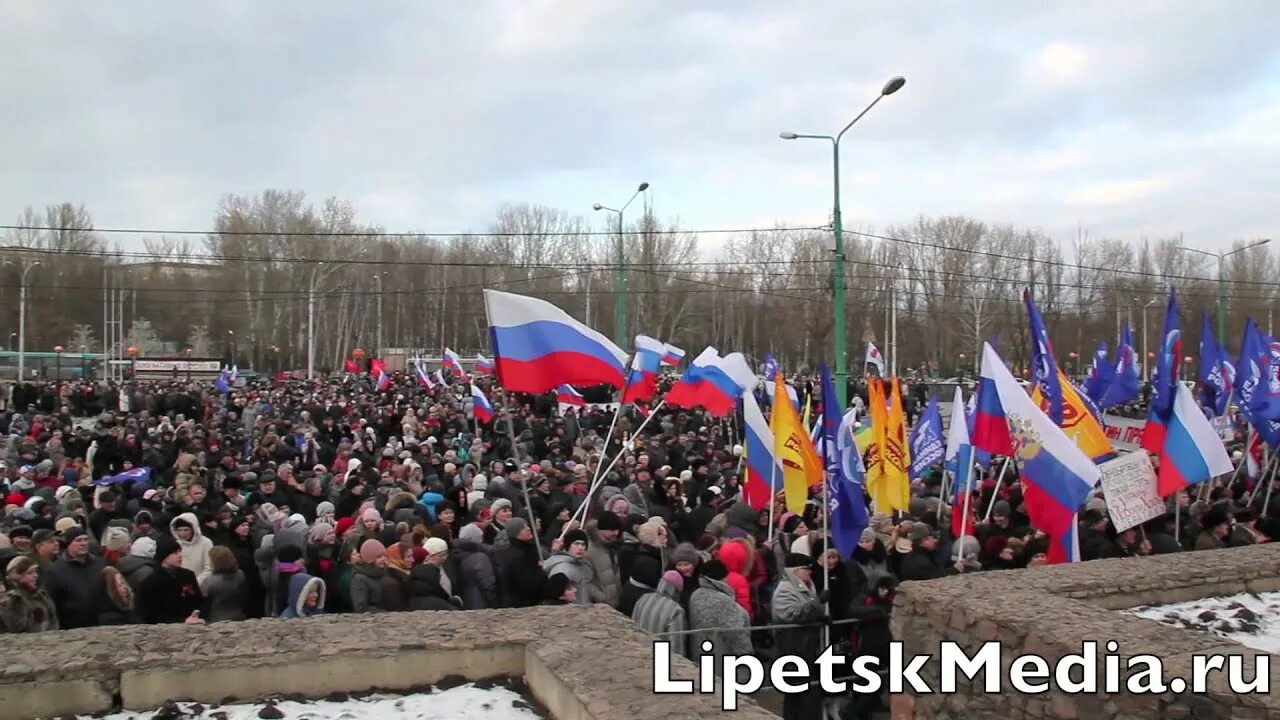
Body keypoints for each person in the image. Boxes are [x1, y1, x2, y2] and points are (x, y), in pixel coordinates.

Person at [771, 553, 825, 720]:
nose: (810, 572)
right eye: (806, 569)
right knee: (796, 691)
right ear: (795, 571)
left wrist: (820, 617)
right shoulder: (784, 590)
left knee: (807, 692)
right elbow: (791, 614)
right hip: (793, 647)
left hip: (807, 646)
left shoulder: (807, 586)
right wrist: (817, 604)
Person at [44, 527, 106, 629]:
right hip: (72, 626)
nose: (83, 543)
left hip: (101, 623)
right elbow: (52, 602)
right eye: (78, 540)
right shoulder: (55, 570)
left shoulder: (100, 564)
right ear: (68, 544)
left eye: (86, 539)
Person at [138, 535, 205, 625]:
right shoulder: (150, 583)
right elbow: (151, 616)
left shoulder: (188, 575)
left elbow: (199, 601)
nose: (180, 556)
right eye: (175, 553)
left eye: (180, 552)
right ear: (164, 556)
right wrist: (182, 621)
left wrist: (197, 613)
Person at [632, 570, 688, 661]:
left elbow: (631, 626)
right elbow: (676, 648)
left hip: (638, 655)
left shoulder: (643, 598)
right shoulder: (676, 610)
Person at [0, 556, 59, 632]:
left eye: (35, 571)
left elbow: (53, 620)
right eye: (29, 573)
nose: (35, 575)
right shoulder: (14, 599)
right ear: (18, 577)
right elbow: (16, 627)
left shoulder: (42, 594)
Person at [497, 517, 545, 608]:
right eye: (523, 528)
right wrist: (540, 571)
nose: (528, 528)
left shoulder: (529, 549)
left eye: (527, 525)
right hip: (521, 605)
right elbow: (527, 584)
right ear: (515, 533)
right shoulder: (516, 555)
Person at [543, 529, 593, 605]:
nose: (580, 548)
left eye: (583, 544)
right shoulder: (562, 569)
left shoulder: (583, 565)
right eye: (576, 544)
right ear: (568, 546)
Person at [583, 513, 622, 608]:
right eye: (612, 530)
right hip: (600, 606)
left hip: (615, 603)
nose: (616, 533)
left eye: (618, 529)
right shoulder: (588, 550)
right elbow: (587, 581)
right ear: (601, 529)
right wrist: (603, 599)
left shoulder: (613, 545)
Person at [200, 546, 247, 622]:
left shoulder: (209, 581)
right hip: (239, 616)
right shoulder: (240, 574)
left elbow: (205, 605)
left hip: (216, 619)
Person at [170, 513, 214, 583]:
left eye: (186, 530)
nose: (182, 534)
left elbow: (209, 568)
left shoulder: (206, 543)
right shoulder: (177, 544)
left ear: (194, 529)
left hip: (201, 584)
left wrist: (195, 582)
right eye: (179, 530)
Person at [350, 539, 387, 612]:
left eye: (384, 556)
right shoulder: (359, 579)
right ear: (369, 559)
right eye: (379, 557)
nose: (383, 559)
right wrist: (384, 613)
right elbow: (361, 607)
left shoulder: (382, 572)